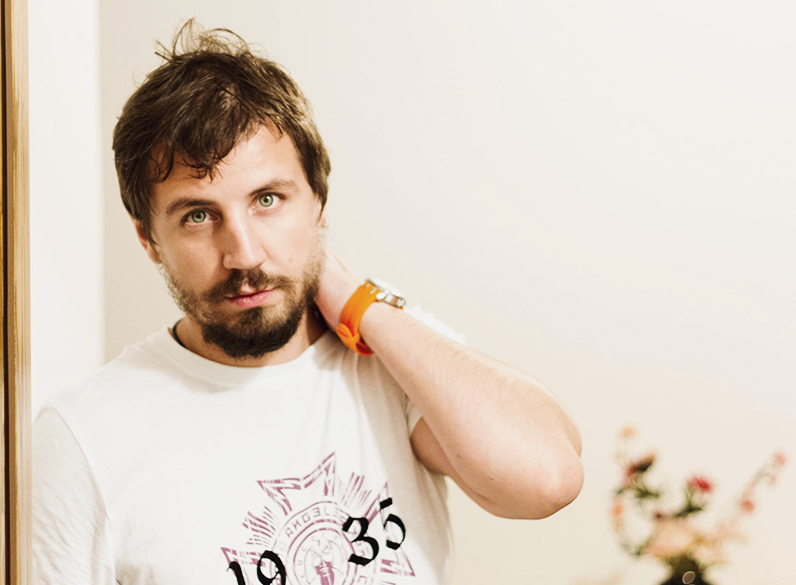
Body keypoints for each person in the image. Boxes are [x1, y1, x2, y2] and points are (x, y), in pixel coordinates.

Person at [32, 20, 583, 585]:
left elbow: (548, 479)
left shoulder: (387, 364)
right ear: (148, 237)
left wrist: (359, 302)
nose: (244, 254)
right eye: (198, 215)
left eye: (268, 200)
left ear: (318, 201)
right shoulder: (85, 433)